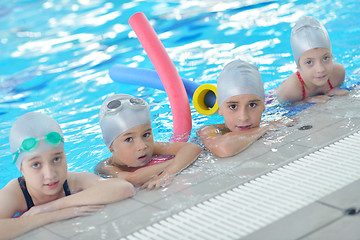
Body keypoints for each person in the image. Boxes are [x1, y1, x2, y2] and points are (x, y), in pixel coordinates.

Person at [0, 112, 135, 239]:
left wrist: (51, 207)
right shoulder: (14, 194)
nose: (50, 174)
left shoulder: (72, 181)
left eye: (56, 159)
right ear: (21, 168)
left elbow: (124, 188)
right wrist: (53, 216)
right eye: (36, 165)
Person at [94, 94, 202, 191]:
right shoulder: (106, 167)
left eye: (146, 135)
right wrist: (175, 161)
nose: (142, 146)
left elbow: (193, 148)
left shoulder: (152, 147)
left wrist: (168, 173)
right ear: (111, 148)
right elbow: (135, 179)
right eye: (128, 139)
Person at [197, 59, 270, 158]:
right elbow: (224, 148)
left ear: (263, 106)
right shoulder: (208, 131)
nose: (243, 117)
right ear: (220, 109)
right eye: (233, 106)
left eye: (252, 105)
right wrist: (266, 128)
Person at [276, 16, 348, 104]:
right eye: (309, 62)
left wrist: (337, 91)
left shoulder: (338, 74)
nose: (320, 69)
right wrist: (305, 102)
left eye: (325, 58)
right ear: (299, 65)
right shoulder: (290, 91)